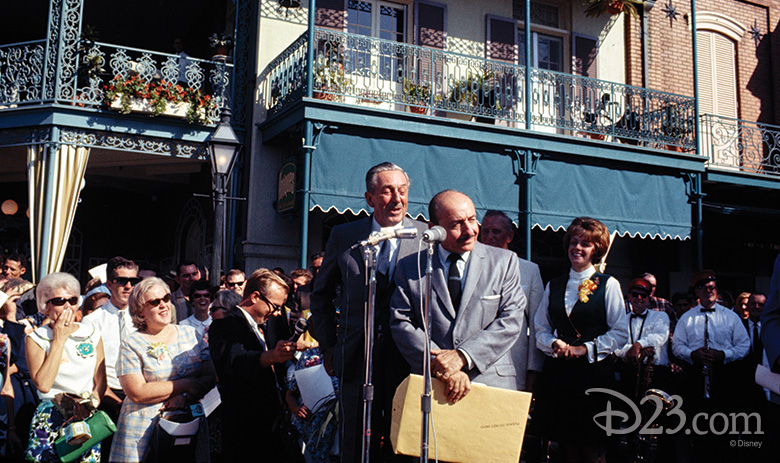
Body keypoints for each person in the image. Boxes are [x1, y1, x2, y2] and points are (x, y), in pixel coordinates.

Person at [310, 161, 428, 462]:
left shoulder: (426, 237)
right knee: (355, 442)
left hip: (409, 358)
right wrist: (329, 347)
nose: (396, 199)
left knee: (404, 438)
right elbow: (320, 295)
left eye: (402, 191)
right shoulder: (345, 235)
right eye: (387, 191)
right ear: (370, 198)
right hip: (356, 356)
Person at [391, 190, 525, 404]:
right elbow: (401, 322)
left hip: (491, 384)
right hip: (434, 387)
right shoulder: (411, 267)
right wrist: (441, 365)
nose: (469, 230)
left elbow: (511, 320)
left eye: (472, 219)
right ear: (434, 229)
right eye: (456, 224)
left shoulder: (505, 262)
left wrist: (462, 356)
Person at [533, 216, 628, 463]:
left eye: (585, 244)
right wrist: (554, 344)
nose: (577, 248)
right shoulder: (553, 284)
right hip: (559, 377)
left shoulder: (609, 284)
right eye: (573, 242)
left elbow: (619, 333)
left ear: (596, 250)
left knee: (592, 448)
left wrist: (584, 350)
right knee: (564, 447)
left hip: (593, 376)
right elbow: (540, 327)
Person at [110, 277, 216, 462]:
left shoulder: (190, 334)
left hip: (187, 422)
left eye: (166, 298)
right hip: (143, 429)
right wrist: (186, 384)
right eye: (155, 302)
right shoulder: (132, 343)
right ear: (140, 311)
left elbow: (210, 376)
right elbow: (137, 391)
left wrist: (185, 397)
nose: (163, 305)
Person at [208, 269, 302, 462]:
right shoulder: (224, 326)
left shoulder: (262, 326)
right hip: (245, 430)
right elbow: (235, 361)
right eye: (274, 306)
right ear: (255, 297)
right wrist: (271, 356)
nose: (276, 313)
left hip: (270, 426)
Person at [24, 273, 107, 463]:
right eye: (60, 301)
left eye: (72, 299)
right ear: (46, 306)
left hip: (85, 414)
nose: (68, 305)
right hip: (51, 413)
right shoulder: (36, 338)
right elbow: (43, 384)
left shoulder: (92, 333)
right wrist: (59, 339)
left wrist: (91, 403)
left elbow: (100, 380)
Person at [671, 270, 750, 463]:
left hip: (725, 377)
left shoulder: (731, 317)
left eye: (712, 288)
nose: (709, 291)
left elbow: (744, 345)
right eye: (705, 288)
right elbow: (677, 346)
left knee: (725, 430)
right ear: (697, 292)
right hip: (696, 378)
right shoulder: (686, 318)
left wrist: (724, 354)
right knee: (699, 431)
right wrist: (692, 354)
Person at [478, 209, 545, 392]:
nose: (490, 236)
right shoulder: (469, 267)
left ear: (509, 236)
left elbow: (537, 324)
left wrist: (533, 369)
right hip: (475, 365)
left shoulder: (529, 271)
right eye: (485, 231)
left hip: (513, 366)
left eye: (496, 231)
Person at [81, 256, 140, 459]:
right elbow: (88, 367)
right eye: (122, 281)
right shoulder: (92, 321)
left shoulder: (145, 318)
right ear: (109, 284)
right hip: (107, 396)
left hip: (141, 395)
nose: (128, 286)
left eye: (134, 281)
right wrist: (113, 401)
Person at [614, 278, 671, 398]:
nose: (639, 298)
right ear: (629, 297)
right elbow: (617, 345)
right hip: (629, 372)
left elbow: (660, 336)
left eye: (643, 295)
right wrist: (636, 351)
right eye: (635, 295)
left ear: (649, 298)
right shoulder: (621, 319)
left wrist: (638, 345)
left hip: (655, 372)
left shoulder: (661, 316)